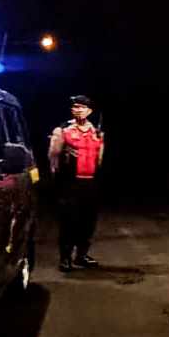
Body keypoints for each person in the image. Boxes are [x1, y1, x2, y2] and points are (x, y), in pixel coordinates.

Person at [49, 95, 105, 272]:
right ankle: (65, 258)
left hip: (90, 183)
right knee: (69, 221)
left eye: (82, 107)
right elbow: (53, 157)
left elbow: (100, 159)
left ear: (90, 111)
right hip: (70, 183)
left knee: (88, 222)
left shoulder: (97, 132)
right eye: (75, 107)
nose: (78, 110)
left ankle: (81, 255)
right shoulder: (63, 130)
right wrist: (57, 181)